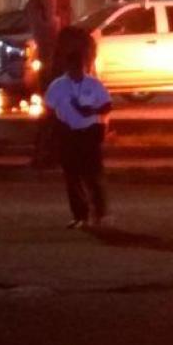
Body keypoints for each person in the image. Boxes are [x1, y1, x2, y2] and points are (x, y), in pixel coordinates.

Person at [44, 27, 111, 229]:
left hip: (89, 134)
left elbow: (108, 105)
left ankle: (99, 214)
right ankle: (80, 216)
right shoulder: (58, 86)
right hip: (68, 134)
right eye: (74, 69)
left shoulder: (94, 84)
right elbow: (49, 108)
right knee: (72, 178)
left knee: (93, 176)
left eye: (81, 68)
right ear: (67, 67)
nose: (78, 72)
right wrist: (55, 131)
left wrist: (92, 113)